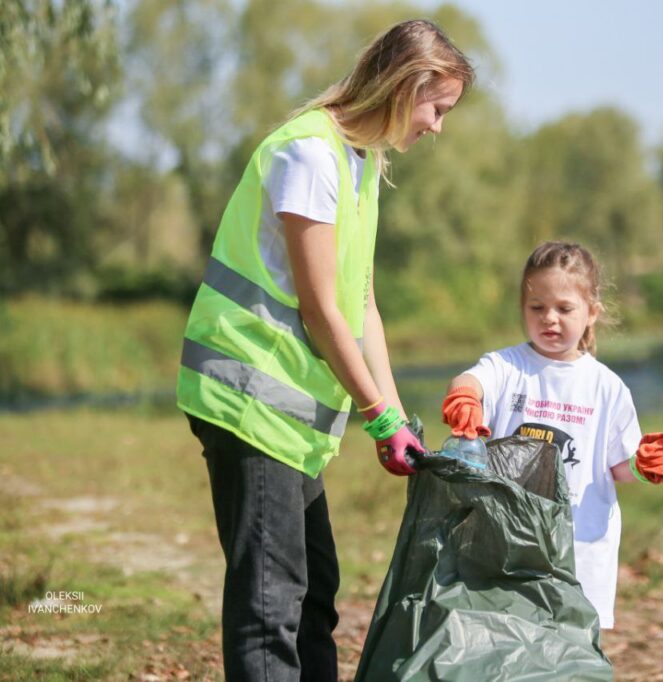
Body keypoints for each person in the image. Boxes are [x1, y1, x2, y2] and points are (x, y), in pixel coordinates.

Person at [176, 19, 474, 680]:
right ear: (404, 87)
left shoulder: (362, 162)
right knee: (270, 603)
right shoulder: (310, 155)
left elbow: (361, 304)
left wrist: (395, 414)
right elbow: (319, 308)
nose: (437, 126)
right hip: (249, 399)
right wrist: (377, 415)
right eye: (437, 108)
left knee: (312, 593)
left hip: (287, 417)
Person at [441, 241, 663, 629]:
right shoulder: (506, 366)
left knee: (570, 647)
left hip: (580, 551)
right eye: (537, 307)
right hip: (505, 546)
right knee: (506, 641)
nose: (549, 318)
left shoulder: (606, 387)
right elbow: (470, 380)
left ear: (592, 313)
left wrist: (643, 465)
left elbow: (619, 467)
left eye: (564, 309)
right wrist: (465, 395)